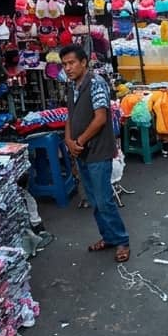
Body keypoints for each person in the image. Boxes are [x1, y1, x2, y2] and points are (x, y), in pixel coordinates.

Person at [60, 44, 129, 263]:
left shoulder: (96, 83)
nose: (68, 68)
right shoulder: (72, 86)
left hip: (97, 151)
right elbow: (70, 116)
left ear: (83, 63)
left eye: (72, 63)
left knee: (103, 200)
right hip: (81, 152)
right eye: (64, 64)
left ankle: (121, 240)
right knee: (94, 200)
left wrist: (79, 141)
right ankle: (108, 237)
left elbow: (100, 118)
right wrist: (68, 140)